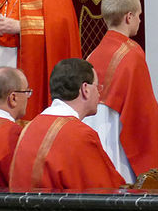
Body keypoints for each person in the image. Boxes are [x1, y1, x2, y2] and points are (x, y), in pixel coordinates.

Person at [85, 0, 158, 184]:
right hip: (117, 141)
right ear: (129, 17)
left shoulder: (92, 54)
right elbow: (142, 113)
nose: (140, 21)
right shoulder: (131, 52)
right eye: (139, 15)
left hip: (93, 136)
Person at [9, 58, 124, 191]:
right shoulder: (80, 135)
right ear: (85, 89)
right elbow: (105, 190)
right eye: (97, 86)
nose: (99, 93)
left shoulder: (29, 128)